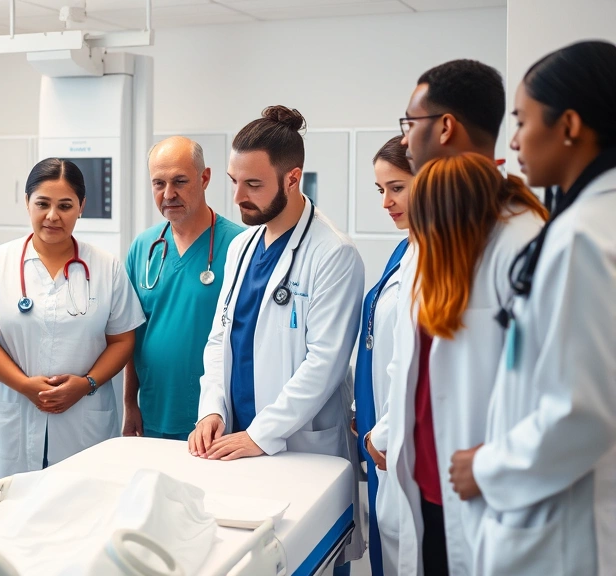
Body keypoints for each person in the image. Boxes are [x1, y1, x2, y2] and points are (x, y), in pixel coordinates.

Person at [447, 40, 616, 576]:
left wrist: (488, 467)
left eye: (523, 120)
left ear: (569, 125)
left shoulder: (584, 238)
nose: (514, 139)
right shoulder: (587, 222)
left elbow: (582, 411)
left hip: (563, 534)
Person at [380, 60, 547, 576]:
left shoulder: (520, 240)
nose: (405, 142)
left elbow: (552, 389)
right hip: (427, 493)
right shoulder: (429, 239)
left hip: (485, 499)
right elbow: (416, 361)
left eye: (410, 125)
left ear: (445, 127)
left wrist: (498, 467)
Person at [190, 105, 366, 569]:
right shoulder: (241, 247)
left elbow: (325, 364)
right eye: (233, 181)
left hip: (299, 446)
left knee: (309, 558)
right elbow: (219, 340)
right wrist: (212, 408)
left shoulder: (334, 254)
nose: (237, 198)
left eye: (253, 185)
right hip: (236, 442)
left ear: (293, 179)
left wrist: (261, 434)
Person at [0, 158, 144, 485]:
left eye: (65, 205)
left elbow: (122, 340)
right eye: (42, 204)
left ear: (82, 207)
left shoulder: (106, 267)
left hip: (84, 419)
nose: (53, 216)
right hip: (15, 416)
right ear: (27, 203)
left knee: (82, 512)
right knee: (7, 516)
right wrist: (24, 385)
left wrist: (87, 383)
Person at [123, 136, 242, 441]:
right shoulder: (144, 247)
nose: (168, 194)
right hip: (154, 410)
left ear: (205, 178)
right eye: (158, 183)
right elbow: (131, 333)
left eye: (179, 181)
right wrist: (129, 403)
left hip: (218, 417)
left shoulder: (240, 246)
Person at [354, 135, 412, 576]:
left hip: (397, 441)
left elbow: (419, 362)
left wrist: (384, 432)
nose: (386, 202)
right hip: (379, 435)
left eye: (396, 188)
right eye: (381, 190)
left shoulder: (436, 257)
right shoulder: (406, 247)